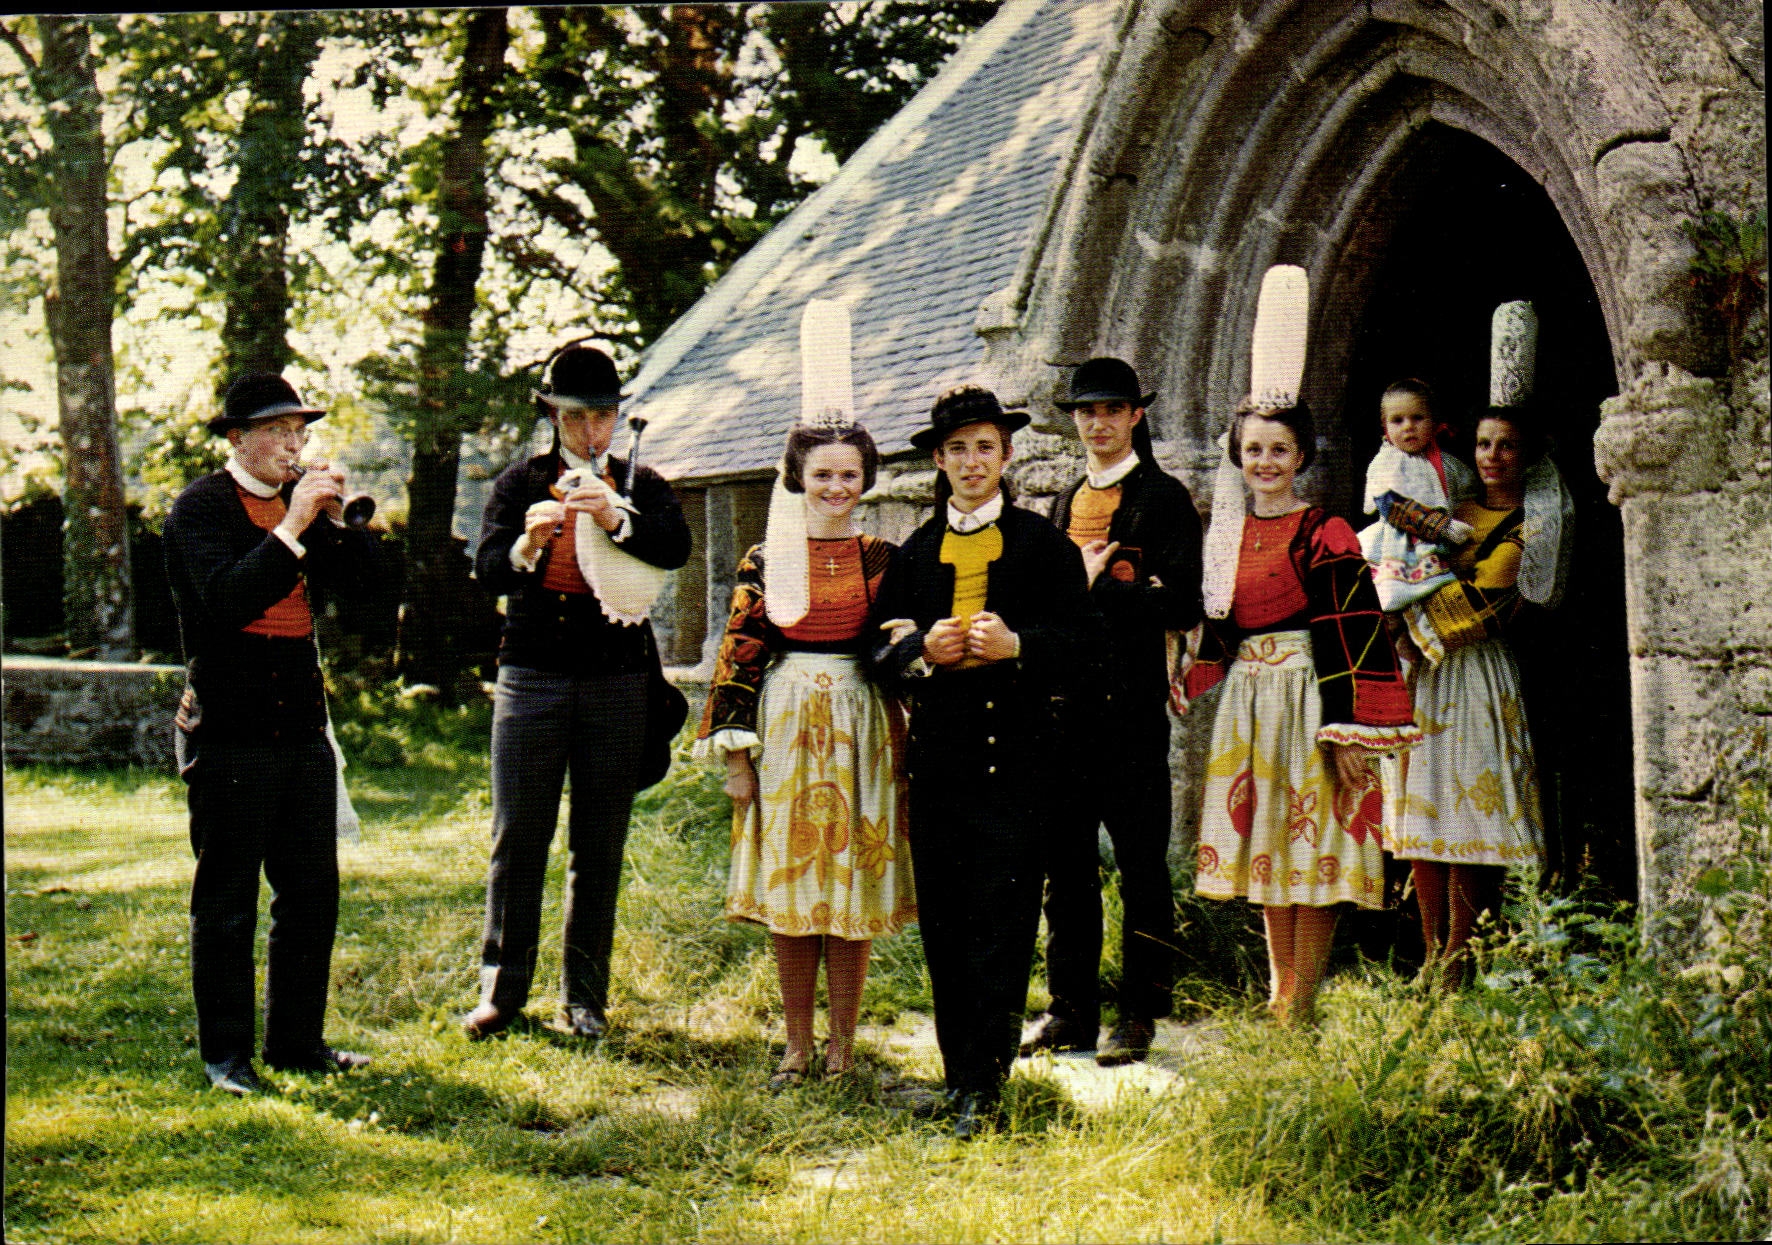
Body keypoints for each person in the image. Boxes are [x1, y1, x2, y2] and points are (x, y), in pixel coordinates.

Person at [1187, 266, 1420, 1027]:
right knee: (1268, 853)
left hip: (1310, 702)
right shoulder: (1224, 537)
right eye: (1252, 449)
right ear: (1238, 456)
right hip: (1252, 703)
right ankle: (1278, 993)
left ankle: (1302, 997)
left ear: (1301, 455)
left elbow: (1357, 632)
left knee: (1309, 851)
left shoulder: (1326, 532)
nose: (1264, 462)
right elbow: (1217, 629)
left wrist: (1351, 731)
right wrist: (1182, 671)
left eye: (1278, 449)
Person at [694, 300, 915, 1088]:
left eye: (848, 474)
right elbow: (740, 652)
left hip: (858, 721)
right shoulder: (769, 554)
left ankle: (845, 1046)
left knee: (848, 886)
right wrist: (736, 756)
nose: (835, 486)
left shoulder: (885, 555)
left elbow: (901, 643)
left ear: (865, 480)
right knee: (794, 892)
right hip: (786, 720)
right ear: (799, 478)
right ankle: (794, 1043)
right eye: (821, 474)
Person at [869, 384, 1098, 1138]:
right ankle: (957, 1073)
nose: (972, 461)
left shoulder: (1044, 546)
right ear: (939, 459)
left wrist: (1019, 646)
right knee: (945, 920)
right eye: (958, 449)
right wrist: (918, 651)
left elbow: (1086, 648)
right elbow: (874, 650)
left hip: (1020, 762)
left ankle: (987, 1086)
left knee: (1001, 920)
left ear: (1006, 456)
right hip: (941, 764)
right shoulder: (914, 553)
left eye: (985, 447)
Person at [465, 343, 691, 1041]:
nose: (593, 432)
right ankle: (502, 992)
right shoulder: (519, 483)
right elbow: (488, 572)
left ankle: (584, 998)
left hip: (617, 679)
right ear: (553, 415)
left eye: (604, 416)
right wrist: (527, 546)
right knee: (518, 837)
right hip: (531, 674)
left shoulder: (640, 480)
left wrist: (616, 516)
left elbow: (674, 546)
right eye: (577, 417)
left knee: (599, 842)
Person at [163, 372, 377, 1095]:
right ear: (236, 438)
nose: (293, 447)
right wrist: (291, 529)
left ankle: (296, 1043)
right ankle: (226, 1057)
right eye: (277, 433)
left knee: (312, 892)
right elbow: (225, 600)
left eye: (300, 433)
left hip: (301, 728)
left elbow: (372, 597)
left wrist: (345, 522)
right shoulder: (197, 509)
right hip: (230, 729)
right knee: (226, 900)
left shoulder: (304, 507)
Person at [1021, 357, 1203, 1066]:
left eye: (1112, 410)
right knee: (1064, 868)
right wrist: (1088, 585)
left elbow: (1184, 602)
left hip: (1128, 711)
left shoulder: (1163, 498)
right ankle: (1070, 1009)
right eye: (1086, 411)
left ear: (1135, 416)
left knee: (1140, 865)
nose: (1098, 422)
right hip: (1065, 710)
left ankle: (1140, 1010)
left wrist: (1102, 587)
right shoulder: (1066, 499)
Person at [1389, 301, 1573, 988]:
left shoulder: (1536, 520)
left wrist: (1409, 633)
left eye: (1508, 445)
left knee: (1466, 815)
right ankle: (1431, 951)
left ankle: (1461, 956)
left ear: (1528, 454)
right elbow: (1401, 561)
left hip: (1472, 671)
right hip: (1424, 673)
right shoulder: (1457, 511)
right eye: (1485, 443)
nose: (1493, 456)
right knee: (1420, 817)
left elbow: (1493, 602)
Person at [1356, 379, 1479, 612]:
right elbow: (1389, 506)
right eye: (1398, 420)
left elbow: (1468, 495)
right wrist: (1441, 525)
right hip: (1400, 540)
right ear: (1385, 425)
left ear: (1433, 421)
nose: (1408, 427)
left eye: (1417, 418)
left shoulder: (1447, 464)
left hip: (1445, 541)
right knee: (1401, 593)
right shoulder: (1388, 461)